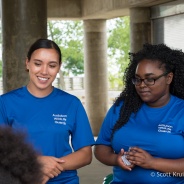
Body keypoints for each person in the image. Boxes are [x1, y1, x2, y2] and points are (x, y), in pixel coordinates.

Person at [0, 38, 95, 184]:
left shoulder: (71, 103)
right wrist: (35, 163)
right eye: (38, 64)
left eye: (52, 65)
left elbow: (85, 154)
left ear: (59, 67)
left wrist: (52, 166)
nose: (44, 71)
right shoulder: (5, 103)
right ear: (27, 63)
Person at [94, 43, 184, 184]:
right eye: (137, 79)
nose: (142, 85)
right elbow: (101, 147)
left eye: (150, 79)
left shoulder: (181, 111)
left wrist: (152, 162)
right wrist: (116, 159)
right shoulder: (122, 108)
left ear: (169, 78)